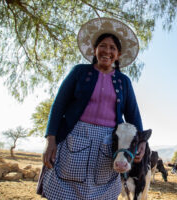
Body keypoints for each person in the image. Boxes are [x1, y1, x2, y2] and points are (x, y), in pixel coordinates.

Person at [37, 17, 146, 200]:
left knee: (100, 192)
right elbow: (59, 105)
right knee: (65, 189)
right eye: (103, 45)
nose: (107, 51)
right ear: (95, 50)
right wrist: (51, 139)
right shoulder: (79, 72)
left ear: (118, 55)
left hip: (107, 143)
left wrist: (142, 141)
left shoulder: (124, 82)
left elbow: (133, 114)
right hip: (74, 138)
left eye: (113, 48)